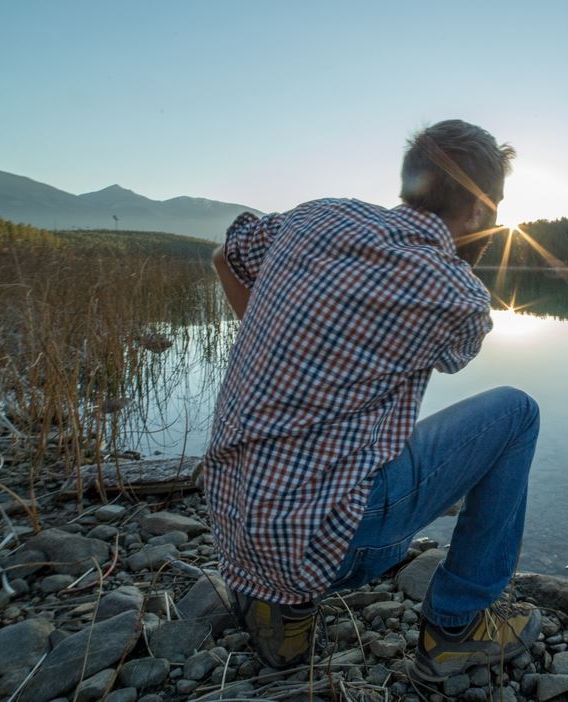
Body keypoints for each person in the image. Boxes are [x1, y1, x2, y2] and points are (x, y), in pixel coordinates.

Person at [204, 119, 542, 682]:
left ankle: (282, 618)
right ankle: (456, 628)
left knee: (354, 431)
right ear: (482, 210)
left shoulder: (317, 216)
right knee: (515, 413)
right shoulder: (457, 294)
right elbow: (455, 353)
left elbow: (225, 257)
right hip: (336, 546)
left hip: (233, 524)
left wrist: (286, 359)